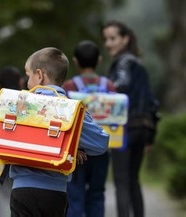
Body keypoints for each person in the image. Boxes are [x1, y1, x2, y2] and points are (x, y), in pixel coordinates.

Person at [9, 47, 110, 217]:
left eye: (28, 76)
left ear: (40, 75)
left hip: (21, 189)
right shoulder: (71, 108)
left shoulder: (17, 105)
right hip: (54, 193)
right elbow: (101, 143)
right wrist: (73, 145)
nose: (27, 82)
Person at [102, 20, 159, 217]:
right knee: (133, 180)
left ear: (125, 39)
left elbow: (120, 86)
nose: (108, 43)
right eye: (106, 39)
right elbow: (153, 103)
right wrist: (151, 135)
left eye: (112, 38)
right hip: (143, 127)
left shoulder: (123, 63)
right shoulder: (139, 65)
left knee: (122, 182)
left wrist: (104, 89)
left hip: (124, 129)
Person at [62, 40, 115, 217]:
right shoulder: (108, 85)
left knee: (74, 194)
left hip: (77, 150)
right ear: (99, 60)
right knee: (97, 193)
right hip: (102, 150)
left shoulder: (69, 87)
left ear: (75, 61)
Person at [0, 66, 25, 217]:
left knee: (5, 200)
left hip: (1, 161)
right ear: (20, 82)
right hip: (24, 159)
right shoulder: (29, 104)